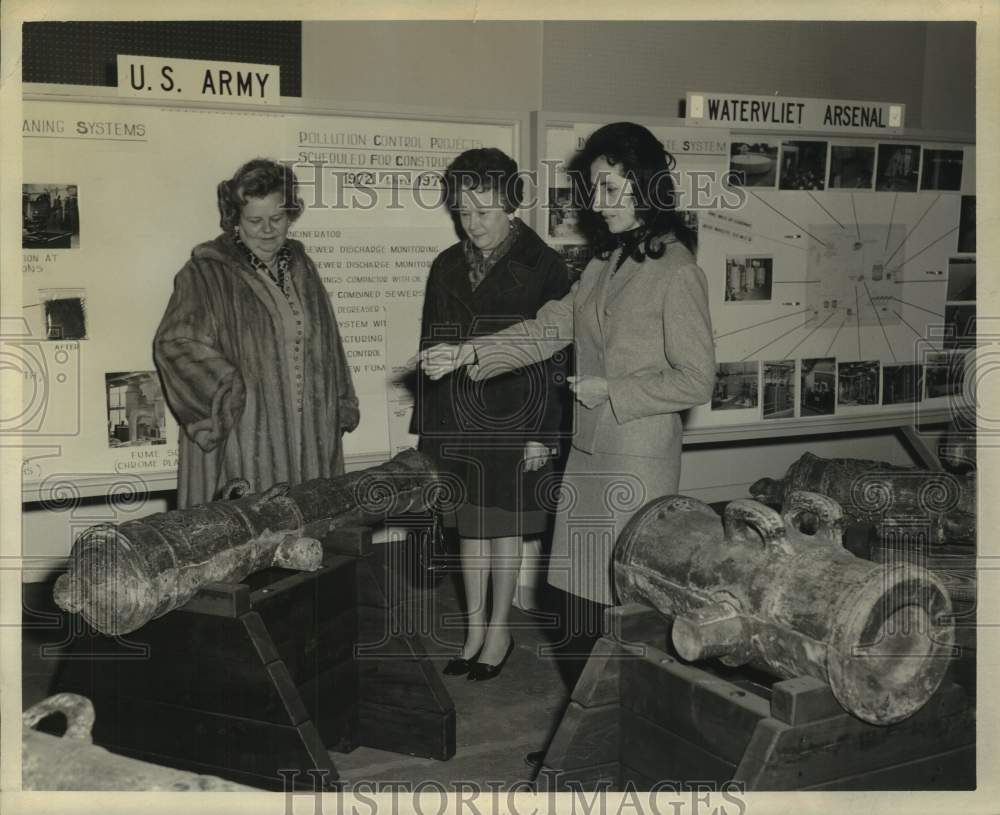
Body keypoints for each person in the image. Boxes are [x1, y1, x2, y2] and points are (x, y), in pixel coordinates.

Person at [419, 122, 716, 684]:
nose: (597, 204)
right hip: (587, 455)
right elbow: (548, 326)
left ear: (644, 187)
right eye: (595, 189)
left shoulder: (677, 271)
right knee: (576, 608)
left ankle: (610, 745)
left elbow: (697, 380)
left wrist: (615, 391)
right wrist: (465, 354)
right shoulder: (607, 262)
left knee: (621, 612)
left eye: (609, 189)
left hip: (636, 461)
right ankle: (583, 742)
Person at [412, 147, 571, 681]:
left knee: (503, 528)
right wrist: (428, 437)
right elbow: (431, 347)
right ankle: (474, 628)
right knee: (468, 529)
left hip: (515, 418)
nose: (472, 223)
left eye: (483, 211)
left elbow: (556, 355)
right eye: (463, 211)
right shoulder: (445, 265)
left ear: (512, 205)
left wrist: (542, 436)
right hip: (456, 420)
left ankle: (499, 630)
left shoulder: (544, 266)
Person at [155, 158, 359, 508]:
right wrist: (227, 391)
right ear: (235, 219)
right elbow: (175, 344)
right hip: (243, 441)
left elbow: (328, 343)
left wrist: (339, 402)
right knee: (249, 541)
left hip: (308, 437)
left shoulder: (302, 267)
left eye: (277, 219)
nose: (267, 230)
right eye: (255, 221)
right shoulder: (206, 273)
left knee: (307, 541)